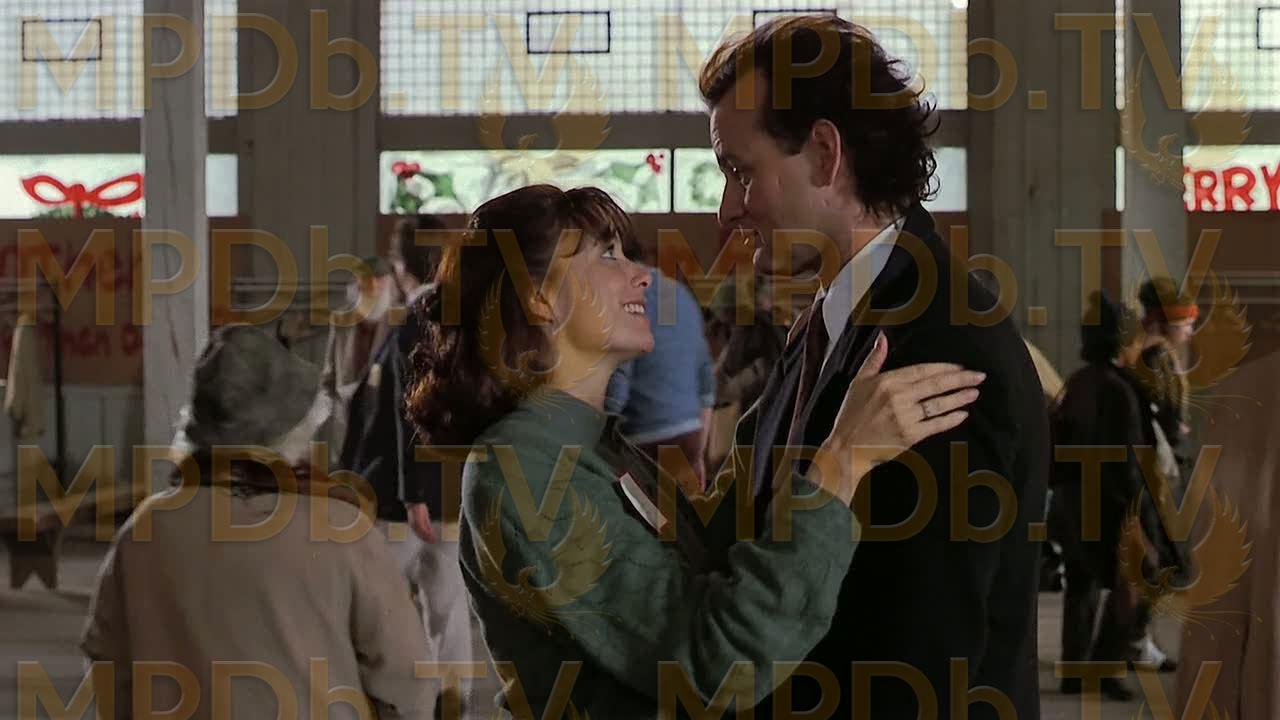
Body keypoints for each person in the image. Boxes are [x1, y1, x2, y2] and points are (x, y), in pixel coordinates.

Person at [405, 184, 983, 717]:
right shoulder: (526, 469)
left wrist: (798, 381)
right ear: (538, 299)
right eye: (608, 256)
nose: (642, 277)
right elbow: (720, 661)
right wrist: (842, 463)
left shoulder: (588, 445)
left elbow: (703, 549)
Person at [699, 15, 1049, 718]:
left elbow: (916, 660)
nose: (727, 211)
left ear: (825, 154)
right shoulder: (833, 323)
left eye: (741, 171)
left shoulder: (943, 342)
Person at [81, 325, 433, 719]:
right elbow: (408, 678)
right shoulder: (340, 528)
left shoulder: (145, 529)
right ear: (297, 429)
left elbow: (107, 663)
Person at [338, 214, 479, 711]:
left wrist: (413, 492)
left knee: (374, 605)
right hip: (451, 492)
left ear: (401, 267)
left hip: (405, 501)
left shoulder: (413, 322)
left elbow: (408, 414)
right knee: (448, 609)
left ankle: (386, 702)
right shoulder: (464, 318)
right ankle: (451, 705)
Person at [1049, 292, 1179, 702]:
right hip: (1111, 505)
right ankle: (1105, 669)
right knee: (1135, 584)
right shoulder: (1119, 390)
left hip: (1073, 501)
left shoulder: (1078, 382)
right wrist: (1144, 518)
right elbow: (1129, 462)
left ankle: (1074, 670)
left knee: (1081, 586)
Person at [604, 252, 717, 491]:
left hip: (641, 443)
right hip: (689, 435)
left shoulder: (628, 297)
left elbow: (617, 390)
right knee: (682, 514)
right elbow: (706, 385)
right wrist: (698, 454)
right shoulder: (682, 295)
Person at [321, 256, 396, 457]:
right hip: (345, 433)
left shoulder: (399, 324)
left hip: (384, 436)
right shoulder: (341, 322)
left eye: (379, 286)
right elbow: (328, 380)